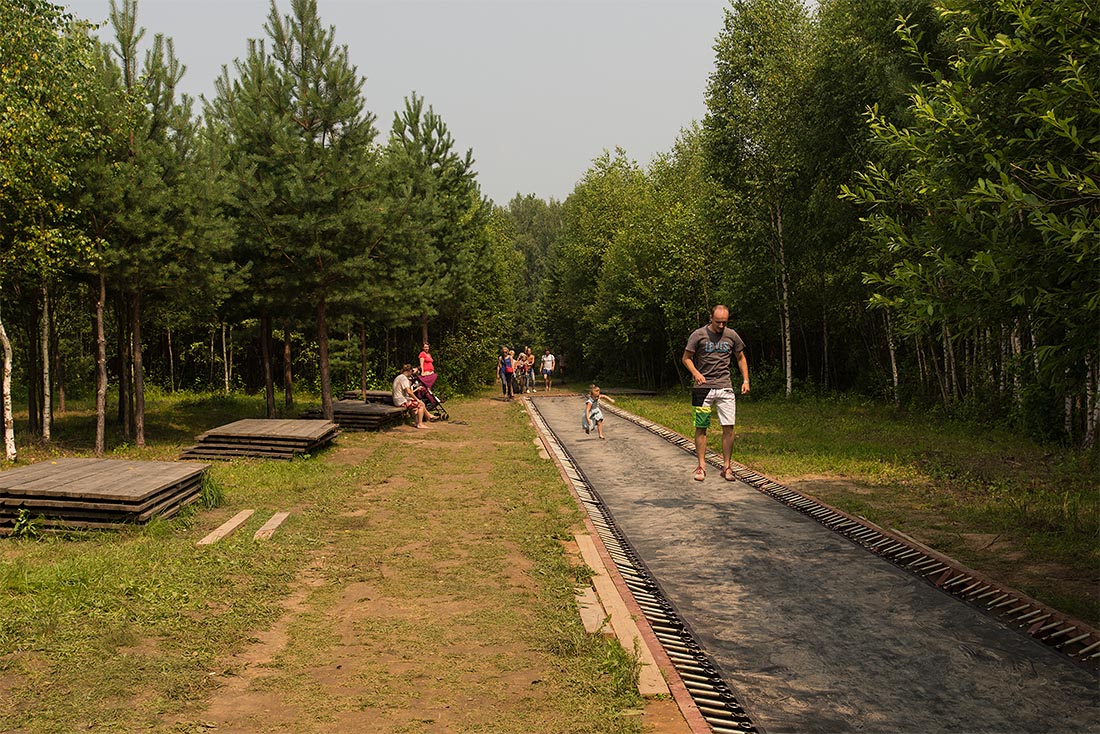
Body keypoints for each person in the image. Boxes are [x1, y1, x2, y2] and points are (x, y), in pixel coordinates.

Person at [682, 304, 750, 481]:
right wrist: (696, 373)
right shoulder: (698, 335)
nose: (721, 326)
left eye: (724, 322)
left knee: (729, 427)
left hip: (725, 387)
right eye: (718, 322)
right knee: (701, 427)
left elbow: (741, 357)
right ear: (710, 318)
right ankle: (701, 466)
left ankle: (727, 467)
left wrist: (746, 380)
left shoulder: (732, 335)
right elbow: (686, 358)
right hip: (702, 389)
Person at [393, 363, 434, 429]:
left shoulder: (399, 377)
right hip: (401, 401)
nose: (411, 374)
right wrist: (417, 399)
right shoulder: (404, 378)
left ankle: (419, 421)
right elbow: (409, 392)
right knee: (420, 404)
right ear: (409, 371)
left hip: (398, 400)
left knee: (417, 405)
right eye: (411, 372)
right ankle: (420, 424)